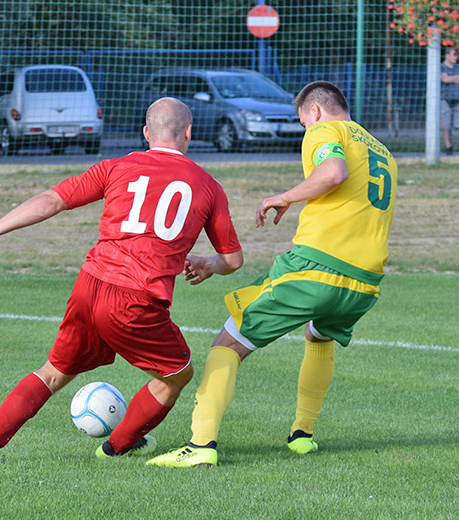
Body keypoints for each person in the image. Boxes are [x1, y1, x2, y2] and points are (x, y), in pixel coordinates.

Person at [0, 97, 243, 466]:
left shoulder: (117, 166)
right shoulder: (208, 187)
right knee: (177, 374)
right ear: (189, 132)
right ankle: (117, 446)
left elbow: (52, 200)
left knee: (54, 372)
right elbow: (233, 260)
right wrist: (208, 264)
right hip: (137, 298)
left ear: (145, 133)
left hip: (89, 287)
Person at [147, 81, 397, 468]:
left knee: (226, 345)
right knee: (319, 336)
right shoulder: (381, 150)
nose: (305, 131)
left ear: (314, 112)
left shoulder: (324, 130)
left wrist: (286, 196)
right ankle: (302, 435)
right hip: (364, 282)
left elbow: (333, 172)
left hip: (317, 269)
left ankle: (199, 446)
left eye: (301, 123)